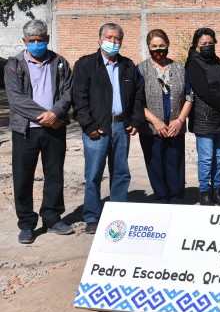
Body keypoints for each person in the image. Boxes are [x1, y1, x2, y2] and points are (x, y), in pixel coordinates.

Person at [6, 19, 74, 244]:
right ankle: (26, 224)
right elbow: (16, 100)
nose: (36, 44)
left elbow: (68, 93)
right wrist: (46, 117)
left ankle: (52, 218)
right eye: (31, 41)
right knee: (23, 178)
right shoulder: (14, 65)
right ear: (24, 41)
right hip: (25, 130)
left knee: (54, 175)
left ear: (47, 39)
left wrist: (55, 113)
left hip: (54, 129)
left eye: (40, 40)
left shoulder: (60, 62)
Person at [72, 22, 145, 234]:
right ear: (99, 39)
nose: (113, 42)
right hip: (97, 129)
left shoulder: (129, 66)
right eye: (109, 37)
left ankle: (118, 213)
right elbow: (79, 99)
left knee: (121, 172)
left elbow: (139, 97)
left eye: (117, 38)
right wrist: (89, 125)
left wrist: (136, 121)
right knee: (94, 174)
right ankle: (92, 216)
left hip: (122, 127)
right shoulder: (86, 65)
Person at [137, 29, 193, 204]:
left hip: (175, 125)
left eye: (162, 46)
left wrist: (180, 120)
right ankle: (161, 197)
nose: (158, 50)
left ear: (168, 45)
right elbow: (136, 101)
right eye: (154, 46)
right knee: (155, 162)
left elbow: (189, 96)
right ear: (148, 47)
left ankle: (176, 197)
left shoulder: (179, 68)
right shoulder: (140, 69)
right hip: (151, 126)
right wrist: (156, 121)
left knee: (175, 162)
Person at [185, 28, 220, 207]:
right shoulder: (193, 63)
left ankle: (217, 190)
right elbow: (202, 90)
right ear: (196, 45)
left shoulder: (217, 61)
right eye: (203, 44)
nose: (207, 46)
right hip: (203, 117)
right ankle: (205, 192)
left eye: (210, 43)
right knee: (206, 158)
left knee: (219, 156)